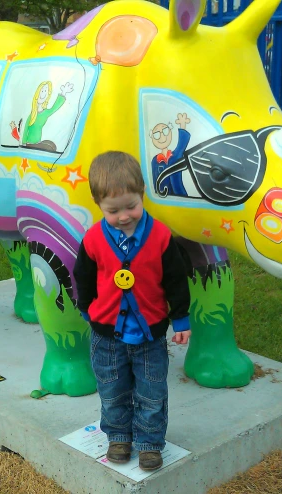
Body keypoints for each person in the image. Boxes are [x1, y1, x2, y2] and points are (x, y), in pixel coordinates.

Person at [73, 151, 192, 472]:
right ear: (98, 205)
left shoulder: (161, 237)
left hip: (150, 335)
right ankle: (118, 437)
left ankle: (150, 442)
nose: (124, 216)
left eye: (131, 206)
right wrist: (87, 309)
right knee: (112, 390)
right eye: (113, 210)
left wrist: (180, 317)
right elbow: (83, 277)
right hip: (106, 336)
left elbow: (177, 281)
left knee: (152, 392)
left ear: (142, 195)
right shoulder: (94, 239)